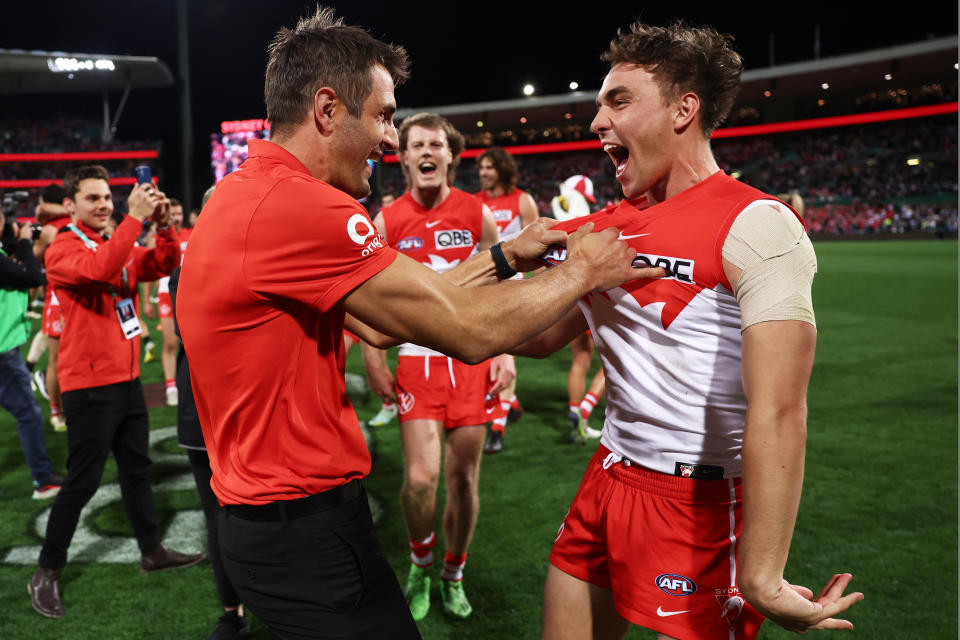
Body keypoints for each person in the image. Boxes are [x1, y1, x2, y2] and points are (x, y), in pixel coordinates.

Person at [176, 8, 652, 639]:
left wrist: (506, 256)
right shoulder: (301, 206)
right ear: (326, 109)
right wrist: (580, 272)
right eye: (382, 115)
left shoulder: (247, 194)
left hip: (261, 523)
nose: (390, 140)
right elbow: (469, 332)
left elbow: (383, 325)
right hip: (304, 532)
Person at [516, 22, 863, 640]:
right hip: (607, 475)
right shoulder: (605, 233)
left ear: (684, 109)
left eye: (617, 101)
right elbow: (536, 336)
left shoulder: (758, 225)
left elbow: (780, 409)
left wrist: (761, 574)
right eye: (599, 104)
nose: (596, 122)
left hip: (700, 506)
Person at [28, 166, 204, 619]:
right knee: (82, 482)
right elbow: (100, 270)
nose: (104, 204)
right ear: (70, 206)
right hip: (88, 385)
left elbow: (163, 264)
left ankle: (151, 549)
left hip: (125, 381)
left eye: (107, 196)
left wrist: (163, 226)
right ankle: (46, 570)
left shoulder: (112, 240)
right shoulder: (63, 247)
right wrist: (133, 220)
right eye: (93, 198)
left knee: (136, 471)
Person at [361, 112, 513, 620]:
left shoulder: (478, 214)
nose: (427, 152)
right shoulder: (385, 221)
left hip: (471, 363)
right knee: (422, 480)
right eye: (417, 145)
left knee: (464, 480)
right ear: (403, 158)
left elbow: (501, 290)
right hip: (417, 365)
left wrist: (505, 353)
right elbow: (368, 299)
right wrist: (373, 359)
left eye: (437, 144)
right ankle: (420, 562)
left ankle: (454, 572)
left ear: (451, 155)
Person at [168, 186, 250, 640]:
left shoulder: (267, 259)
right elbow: (201, 334)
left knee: (274, 514)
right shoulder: (185, 273)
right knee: (218, 516)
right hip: (206, 411)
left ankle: (273, 609)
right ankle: (233, 611)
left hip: (257, 410)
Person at [475, 147, 538, 453]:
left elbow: (539, 248)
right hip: (484, 288)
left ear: (501, 168)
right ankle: (510, 402)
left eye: (488, 167)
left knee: (502, 352)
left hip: (513, 289)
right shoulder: (475, 203)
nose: (483, 173)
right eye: (481, 168)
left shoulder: (523, 200)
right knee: (489, 353)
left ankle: (497, 427)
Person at [0, 207, 64, 499]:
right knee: (28, 413)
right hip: (3, 353)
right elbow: (32, 276)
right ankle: (44, 479)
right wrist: (25, 240)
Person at [30, 183, 72, 432]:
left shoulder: (47, 230)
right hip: (76, 298)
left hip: (56, 299)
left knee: (56, 360)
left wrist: (38, 220)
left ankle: (57, 413)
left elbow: (33, 257)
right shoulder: (79, 223)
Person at [141, 198, 191, 406]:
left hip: (190, 294)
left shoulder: (193, 234)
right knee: (170, 342)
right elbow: (149, 271)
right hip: (164, 292)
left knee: (190, 344)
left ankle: (191, 383)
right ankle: (171, 386)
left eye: (180, 214)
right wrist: (146, 300)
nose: (177, 218)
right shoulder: (158, 239)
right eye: (174, 214)